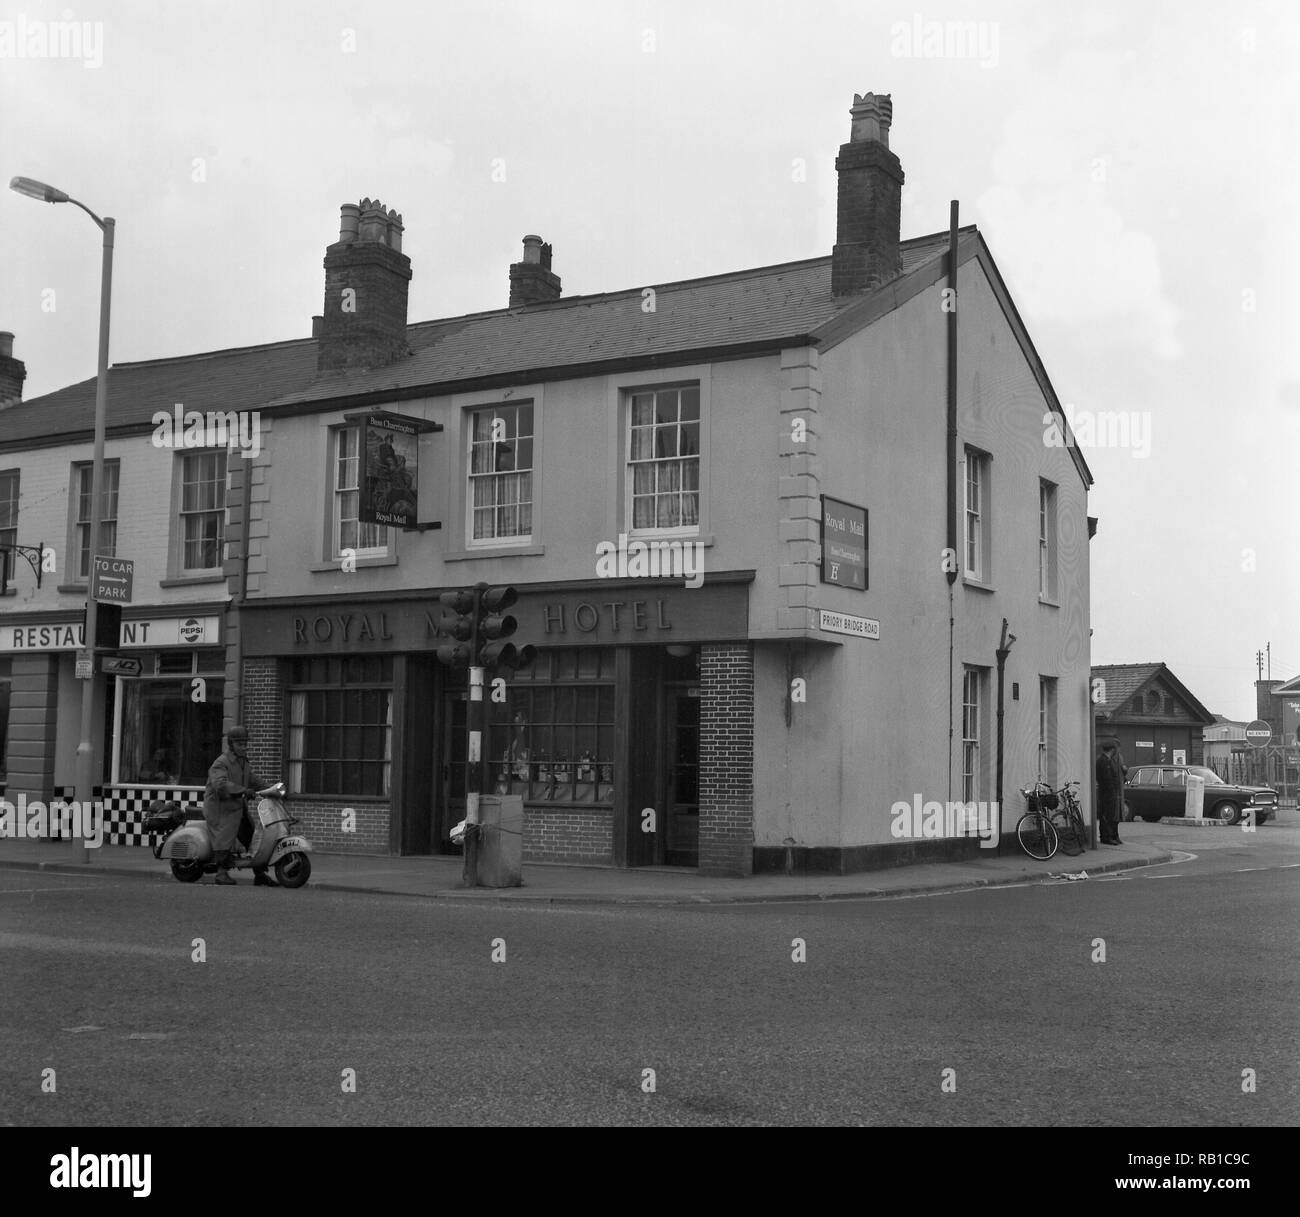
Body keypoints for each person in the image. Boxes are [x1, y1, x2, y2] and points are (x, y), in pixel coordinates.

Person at [203, 725, 274, 885]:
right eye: (240, 744)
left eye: (245, 744)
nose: (244, 747)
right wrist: (243, 791)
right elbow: (220, 784)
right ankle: (221, 874)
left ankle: (260, 875)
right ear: (231, 744)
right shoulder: (221, 763)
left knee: (251, 837)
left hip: (235, 806)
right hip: (220, 809)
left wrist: (271, 789)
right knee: (225, 837)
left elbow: (252, 779)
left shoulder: (243, 762)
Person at [1095, 740, 1125, 845]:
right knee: (1107, 816)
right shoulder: (1104, 761)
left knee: (1109, 815)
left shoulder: (1105, 760)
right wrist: (1112, 791)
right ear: (1112, 750)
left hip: (1107, 793)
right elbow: (1107, 779)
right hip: (1107, 793)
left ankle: (1110, 836)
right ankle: (1106, 837)